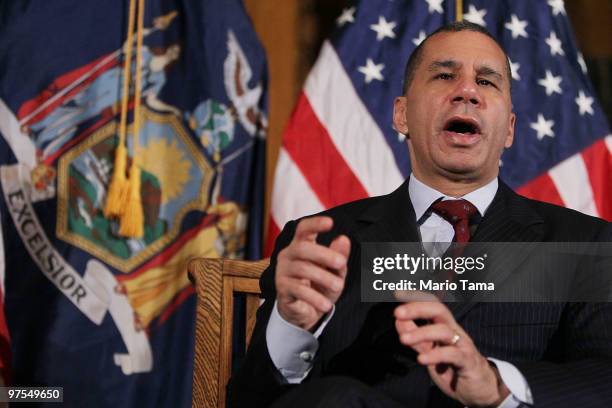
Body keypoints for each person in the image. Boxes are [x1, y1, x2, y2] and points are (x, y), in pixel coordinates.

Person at [228, 21, 612, 407]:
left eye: (487, 81)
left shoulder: (583, 244)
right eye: (445, 75)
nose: (466, 91)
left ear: (509, 129)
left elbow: (604, 377)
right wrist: (291, 328)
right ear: (402, 115)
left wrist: (496, 384)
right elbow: (248, 402)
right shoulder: (323, 244)